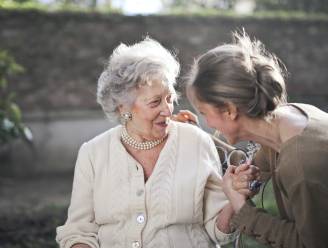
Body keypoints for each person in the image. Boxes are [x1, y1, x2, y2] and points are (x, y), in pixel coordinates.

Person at [56, 38, 240, 248]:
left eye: (169, 98)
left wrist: (235, 199)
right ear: (122, 108)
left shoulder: (196, 142)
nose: (167, 109)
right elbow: (78, 232)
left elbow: (220, 231)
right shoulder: (93, 153)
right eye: (155, 102)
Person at [186, 31, 328, 248]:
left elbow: (313, 243)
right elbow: (260, 167)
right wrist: (244, 179)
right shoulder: (291, 117)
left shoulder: (301, 164)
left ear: (230, 111)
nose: (208, 123)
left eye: (204, 112)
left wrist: (243, 211)